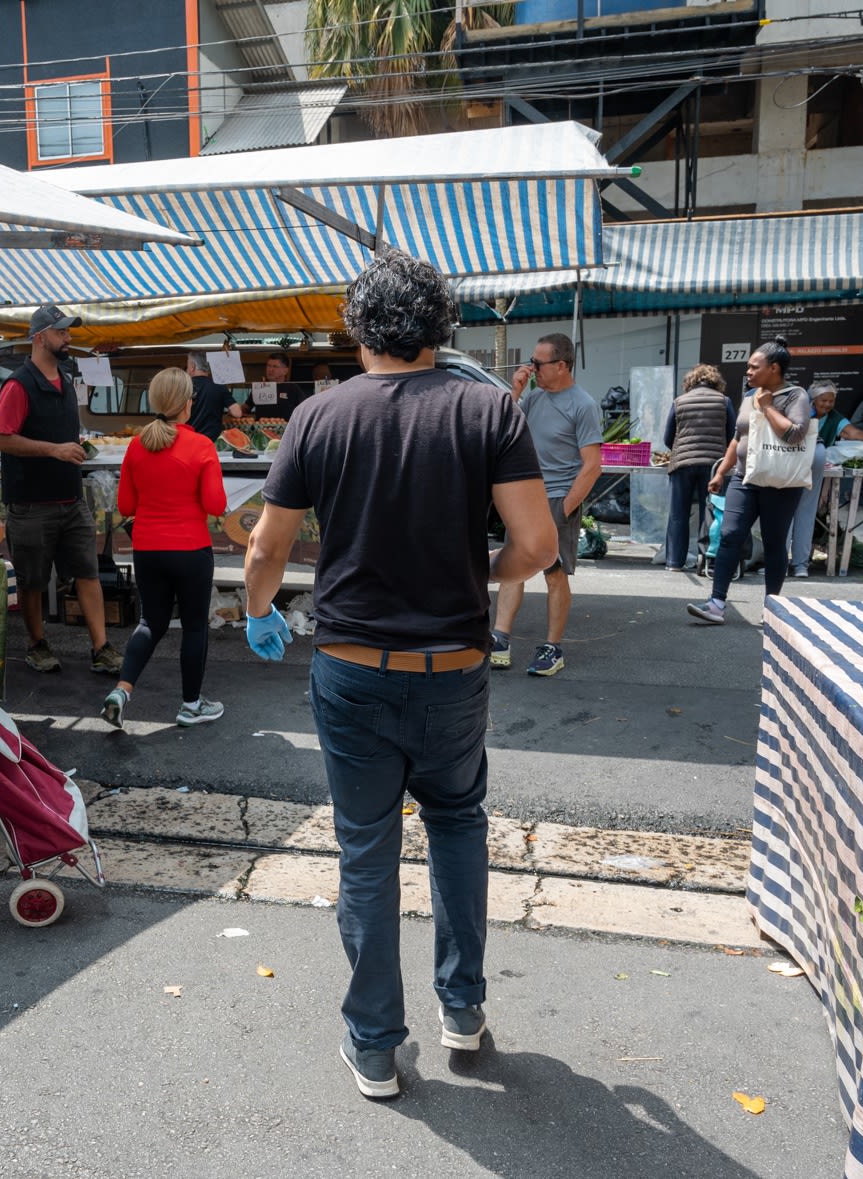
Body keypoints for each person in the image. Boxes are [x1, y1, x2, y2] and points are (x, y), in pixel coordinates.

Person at [240, 251, 557, 1100]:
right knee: (458, 824)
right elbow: (537, 547)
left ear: (358, 327)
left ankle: (375, 1045)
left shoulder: (318, 415)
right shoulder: (487, 408)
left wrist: (259, 610)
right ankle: (463, 1009)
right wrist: (478, 571)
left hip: (350, 668)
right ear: (440, 327)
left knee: (367, 848)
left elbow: (267, 548)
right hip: (454, 668)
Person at [0, 304, 124, 675]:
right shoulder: (19, 384)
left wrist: (73, 444)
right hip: (31, 503)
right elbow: (1, 438)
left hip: (70, 499)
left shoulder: (65, 379)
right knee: (32, 580)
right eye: (61, 332)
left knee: (88, 572)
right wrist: (55, 449)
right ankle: (37, 645)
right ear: (39, 338)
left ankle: (101, 648)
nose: (68, 338)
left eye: (68, 332)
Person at [101, 368, 228, 730]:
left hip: (148, 549)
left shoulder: (137, 445)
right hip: (191, 549)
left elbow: (126, 505)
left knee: (150, 622)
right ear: (188, 404)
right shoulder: (202, 446)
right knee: (193, 628)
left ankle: (122, 691)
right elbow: (216, 505)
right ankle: (190, 705)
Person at [489, 332, 602, 677]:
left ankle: (553, 647)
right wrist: (517, 391)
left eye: (538, 363)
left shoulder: (582, 404)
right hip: (526, 497)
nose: (531, 367)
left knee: (554, 573)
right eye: (532, 361)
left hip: (556, 498)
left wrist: (565, 508)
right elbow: (501, 429)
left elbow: (592, 465)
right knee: (513, 566)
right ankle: (500, 639)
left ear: (562, 365)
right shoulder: (535, 399)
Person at [688, 338, 812, 624]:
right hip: (744, 478)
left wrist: (768, 407)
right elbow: (738, 438)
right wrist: (722, 472)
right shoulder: (748, 396)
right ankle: (716, 603)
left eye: (754, 367)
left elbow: (795, 434)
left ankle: (772, 609)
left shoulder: (796, 396)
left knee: (774, 542)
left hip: (781, 483)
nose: (748, 372)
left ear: (774, 368)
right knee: (729, 534)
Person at [790, 381, 863, 578]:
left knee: (808, 513)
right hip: (791, 469)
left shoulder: (835, 418)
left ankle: (801, 562)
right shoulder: (800, 413)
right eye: (824, 400)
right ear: (813, 400)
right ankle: (782, 560)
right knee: (788, 514)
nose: (828, 404)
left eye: (831, 401)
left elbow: (851, 432)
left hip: (816, 473)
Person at [661, 364, 735, 573]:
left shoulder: (679, 402)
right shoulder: (724, 401)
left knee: (678, 514)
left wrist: (681, 450)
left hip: (682, 463)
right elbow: (732, 436)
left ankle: (674, 562)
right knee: (711, 513)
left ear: (690, 382)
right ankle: (707, 561)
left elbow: (668, 437)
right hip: (714, 465)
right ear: (716, 382)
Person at [184, 351, 231, 441]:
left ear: (192, 367)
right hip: (213, 440)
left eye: (188, 366)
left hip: (190, 439)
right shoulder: (220, 386)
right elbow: (237, 412)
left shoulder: (184, 386)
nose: (187, 369)